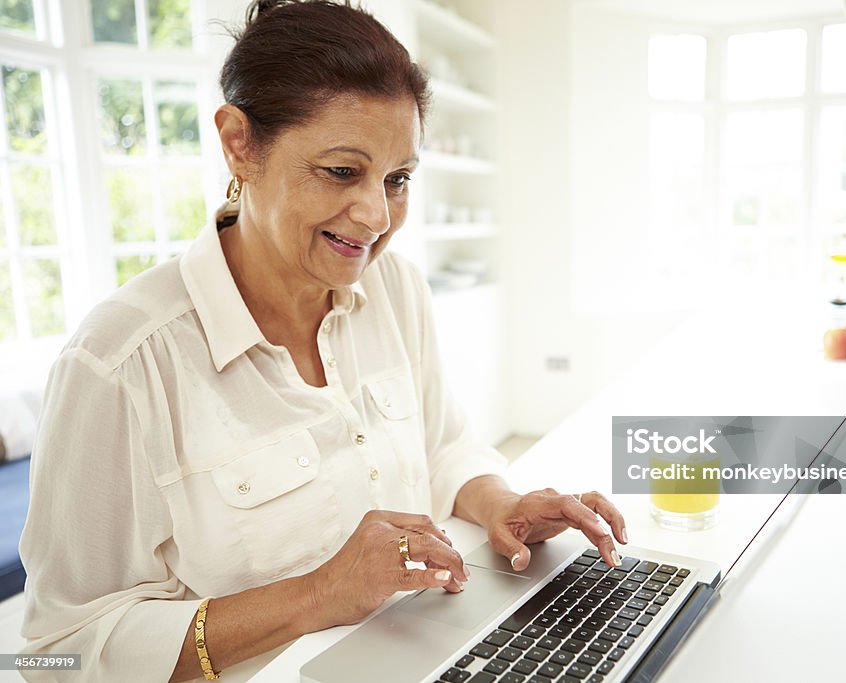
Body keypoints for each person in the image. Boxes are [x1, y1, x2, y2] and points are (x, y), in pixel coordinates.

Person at [18, 1, 627, 680]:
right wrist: (314, 595)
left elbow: (445, 444)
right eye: (342, 171)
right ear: (239, 143)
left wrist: (501, 503)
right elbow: (53, 651)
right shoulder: (121, 362)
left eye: (397, 179)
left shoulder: (395, 288)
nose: (376, 215)